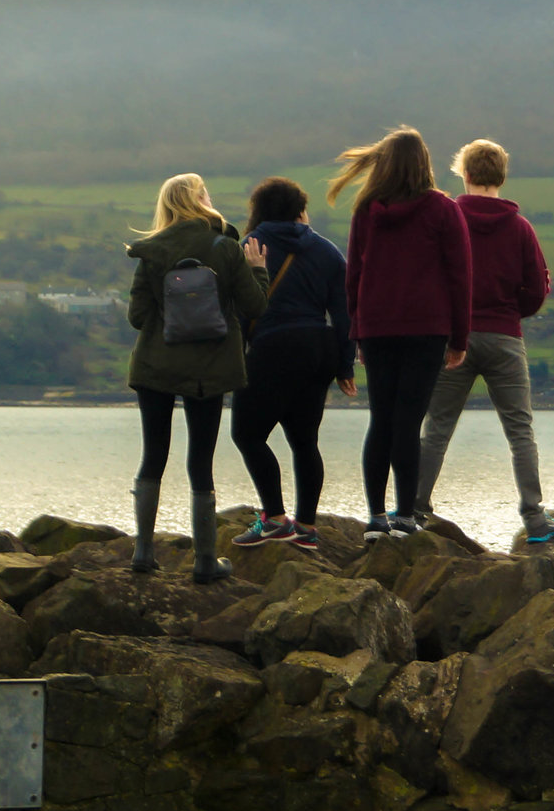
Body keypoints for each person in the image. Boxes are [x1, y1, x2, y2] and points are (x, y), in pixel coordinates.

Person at [419, 140, 554, 543]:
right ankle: (535, 519)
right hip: (504, 337)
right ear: (502, 176)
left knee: (437, 427)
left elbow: (430, 278)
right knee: (520, 430)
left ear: (465, 175)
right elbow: (537, 289)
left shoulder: (447, 220)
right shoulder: (521, 228)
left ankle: (416, 509)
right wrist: (508, 311)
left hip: (454, 340)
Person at [123, 173, 268, 582]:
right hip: (209, 370)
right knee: (200, 461)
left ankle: (142, 551)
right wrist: (258, 268)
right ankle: (205, 560)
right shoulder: (224, 246)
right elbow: (254, 304)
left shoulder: (150, 251)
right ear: (201, 199)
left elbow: (137, 318)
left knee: (154, 453)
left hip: (154, 366)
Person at [330, 125, 471, 538]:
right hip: (426, 329)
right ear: (424, 163)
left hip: (377, 329)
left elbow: (353, 274)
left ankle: (375, 517)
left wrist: (358, 330)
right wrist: (459, 338)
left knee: (381, 420)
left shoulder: (366, 210)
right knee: (408, 423)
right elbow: (460, 277)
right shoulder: (444, 210)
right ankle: (405, 516)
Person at [227, 176, 355, 552]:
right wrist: (345, 365)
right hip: (319, 348)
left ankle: (275, 518)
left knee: (248, 435)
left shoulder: (249, 246)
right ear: (300, 209)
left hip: (271, 348)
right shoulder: (328, 251)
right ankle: (308, 527)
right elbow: (345, 313)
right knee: (304, 441)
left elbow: (237, 310)